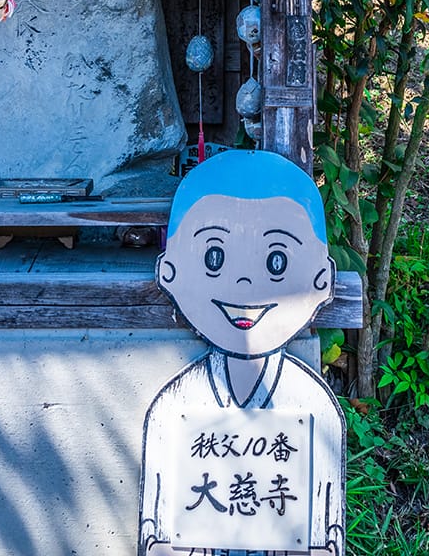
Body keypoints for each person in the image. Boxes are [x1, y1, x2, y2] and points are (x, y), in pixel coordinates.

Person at [139, 149, 345, 556]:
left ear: (321, 279)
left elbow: (326, 533)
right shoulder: (173, 408)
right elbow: (156, 531)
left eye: (277, 260)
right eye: (214, 257)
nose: (246, 281)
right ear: (170, 272)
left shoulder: (313, 408)